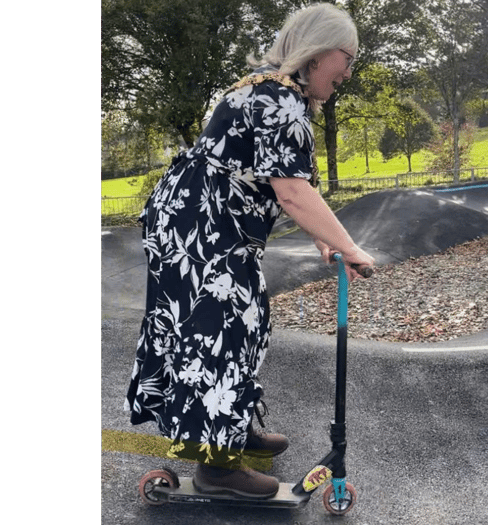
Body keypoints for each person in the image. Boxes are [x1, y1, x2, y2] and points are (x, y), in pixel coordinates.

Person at [125, 3, 374, 500]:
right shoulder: (280, 99)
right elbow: (291, 192)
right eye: (347, 57)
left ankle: (229, 429)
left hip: (200, 221)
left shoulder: (269, 90)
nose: (349, 71)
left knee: (244, 319)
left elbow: (290, 184)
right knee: (221, 328)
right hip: (202, 227)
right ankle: (217, 466)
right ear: (318, 51)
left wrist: (325, 240)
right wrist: (350, 247)